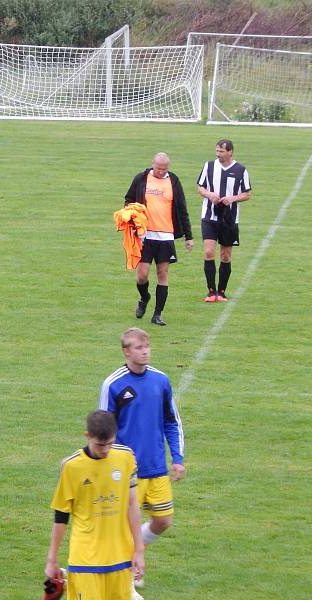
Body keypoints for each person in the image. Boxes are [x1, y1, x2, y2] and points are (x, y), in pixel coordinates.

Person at [98, 327, 184, 593]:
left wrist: (177, 458)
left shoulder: (161, 380)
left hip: (156, 467)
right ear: (126, 351)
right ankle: (128, 584)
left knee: (163, 520)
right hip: (127, 472)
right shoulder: (113, 384)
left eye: (147, 346)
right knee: (126, 532)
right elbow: (102, 428)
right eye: (138, 347)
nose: (145, 351)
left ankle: (136, 554)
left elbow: (172, 421)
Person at [44, 410, 144, 600]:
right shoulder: (71, 466)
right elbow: (61, 516)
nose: (105, 449)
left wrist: (139, 551)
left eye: (110, 444)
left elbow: (132, 504)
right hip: (85, 561)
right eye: (100, 444)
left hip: (120, 559)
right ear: (87, 436)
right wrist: (52, 559)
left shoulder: (126, 457)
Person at [123, 152, 193, 327]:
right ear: (152, 164)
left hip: (166, 236)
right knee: (142, 275)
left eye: (165, 169)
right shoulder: (141, 178)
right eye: (158, 168)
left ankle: (157, 314)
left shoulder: (174, 181)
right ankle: (144, 298)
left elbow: (182, 208)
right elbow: (128, 200)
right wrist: (131, 215)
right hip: (145, 236)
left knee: (162, 273)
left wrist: (188, 236)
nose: (162, 172)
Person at [197, 139, 252, 302]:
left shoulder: (241, 170)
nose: (218, 154)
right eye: (217, 151)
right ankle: (210, 291)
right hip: (209, 216)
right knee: (208, 252)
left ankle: (221, 292)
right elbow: (200, 187)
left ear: (230, 152)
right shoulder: (209, 166)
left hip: (230, 219)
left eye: (221, 151)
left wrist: (232, 198)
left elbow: (247, 194)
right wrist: (209, 195)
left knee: (226, 256)